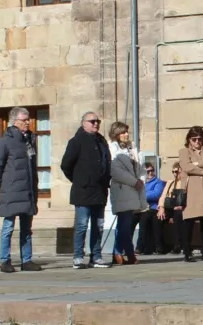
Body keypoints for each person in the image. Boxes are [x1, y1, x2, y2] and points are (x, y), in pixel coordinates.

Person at [0, 106, 43, 273]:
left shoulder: (29, 139)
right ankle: (5, 260)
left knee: (27, 228)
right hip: (12, 191)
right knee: (8, 227)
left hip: (27, 191)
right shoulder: (5, 142)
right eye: (24, 120)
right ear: (14, 121)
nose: (28, 122)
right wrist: (5, 185)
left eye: (28, 119)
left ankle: (26, 260)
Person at [60, 111, 112, 269]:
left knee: (98, 224)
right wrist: (78, 180)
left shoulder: (101, 141)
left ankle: (96, 256)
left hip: (100, 190)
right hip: (83, 190)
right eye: (92, 121)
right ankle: (77, 257)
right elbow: (65, 165)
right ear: (83, 123)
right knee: (82, 224)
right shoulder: (77, 141)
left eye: (98, 121)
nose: (96, 123)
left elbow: (106, 161)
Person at [179, 126, 203, 263]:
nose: (197, 142)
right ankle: (187, 252)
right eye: (194, 139)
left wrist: (197, 163)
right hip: (191, 190)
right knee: (188, 221)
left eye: (199, 139)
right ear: (189, 140)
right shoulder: (184, 152)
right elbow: (186, 166)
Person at [108, 121, 146, 265]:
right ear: (116, 134)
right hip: (122, 190)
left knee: (124, 223)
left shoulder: (132, 148)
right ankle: (128, 253)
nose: (126, 134)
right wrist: (133, 181)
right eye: (123, 132)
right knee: (124, 223)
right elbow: (115, 171)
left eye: (126, 132)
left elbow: (141, 168)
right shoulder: (112, 148)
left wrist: (141, 180)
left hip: (135, 190)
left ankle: (117, 252)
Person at [137, 162, 165, 254]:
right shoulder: (140, 182)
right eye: (147, 171)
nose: (150, 173)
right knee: (131, 222)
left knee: (148, 219)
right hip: (139, 207)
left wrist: (141, 195)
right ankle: (133, 247)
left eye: (152, 171)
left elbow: (156, 194)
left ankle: (157, 247)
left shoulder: (158, 182)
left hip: (153, 207)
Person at [158, 162, 184, 254]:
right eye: (173, 172)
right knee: (157, 218)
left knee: (178, 217)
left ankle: (177, 245)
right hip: (169, 206)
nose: (174, 174)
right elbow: (163, 195)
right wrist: (161, 207)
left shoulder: (185, 182)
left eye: (176, 172)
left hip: (181, 208)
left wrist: (182, 206)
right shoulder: (170, 182)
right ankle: (160, 246)